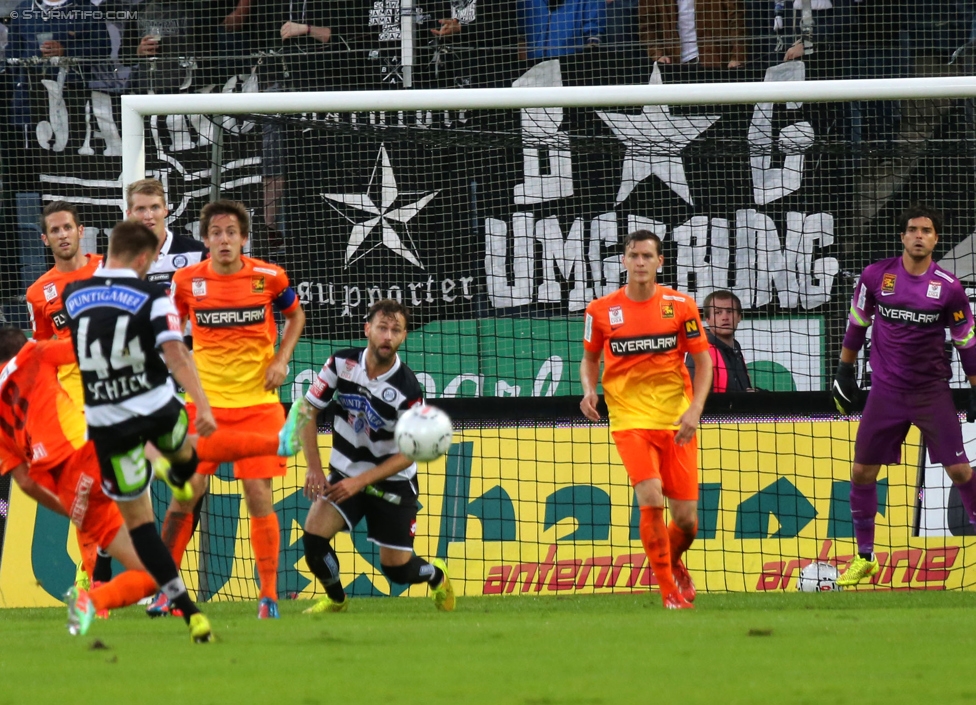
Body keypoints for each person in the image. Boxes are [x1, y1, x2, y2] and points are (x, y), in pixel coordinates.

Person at [61, 220, 216, 643]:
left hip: (106, 425)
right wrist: (202, 404)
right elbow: (176, 353)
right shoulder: (153, 295)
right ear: (146, 259)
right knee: (190, 459)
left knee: (141, 527)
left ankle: (192, 616)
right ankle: (177, 474)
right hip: (155, 409)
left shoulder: (73, 295)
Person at [154, 200, 306, 620]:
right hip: (206, 407)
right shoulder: (185, 282)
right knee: (187, 493)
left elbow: (295, 317)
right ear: (205, 240)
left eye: (232, 232)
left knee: (258, 495)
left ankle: (269, 596)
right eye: (216, 233)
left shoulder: (269, 278)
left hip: (258, 404)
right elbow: (169, 334)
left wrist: (281, 360)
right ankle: (167, 591)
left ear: (243, 238)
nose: (224, 239)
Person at [832, 205, 976, 586]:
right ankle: (865, 557)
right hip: (886, 392)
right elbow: (857, 324)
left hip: (931, 393)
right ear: (902, 236)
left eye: (926, 230)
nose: (918, 236)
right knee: (862, 471)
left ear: (935, 239)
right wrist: (844, 371)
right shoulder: (876, 276)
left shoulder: (950, 288)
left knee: (960, 470)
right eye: (912, 229)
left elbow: (967, 343)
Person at [293, 299, 455, 614]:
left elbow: (409, 455)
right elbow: (307, 411)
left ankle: (436, 574)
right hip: (344, 474)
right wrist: (314, 468)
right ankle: (336, 599)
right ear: (368, 328)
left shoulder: (408, 389)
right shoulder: (341, 364)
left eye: (396, 330)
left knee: (397, 571)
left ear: (404, 336)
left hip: (391, 483)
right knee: (313, 540)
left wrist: (360, 482)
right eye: (382, 327)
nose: (388, 336)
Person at [580, 230, 712, 609]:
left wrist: (695, 409)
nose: (640, 262)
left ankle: (673, 562)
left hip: (676, 421)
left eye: (647, 256)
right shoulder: (600, 310)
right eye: (633, 255)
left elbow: (702, 363)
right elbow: (590, 360)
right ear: (623, 261)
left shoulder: (681, 306)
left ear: (659, 262)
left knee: (686, 522)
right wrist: (589, 390)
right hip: (628, 420)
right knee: (650, 497)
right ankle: (668, 590)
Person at [0, 329, 161, 631]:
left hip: (69, 488)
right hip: (88, 453)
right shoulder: (35, 354)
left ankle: (91, 602)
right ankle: (168, 460)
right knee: (148, 423)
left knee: (151, 575)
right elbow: (86, 350)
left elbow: (25, 483)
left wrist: (71, 511)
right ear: (22, 346)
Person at [25, 201, 112, 588]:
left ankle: (148, 577)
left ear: (81, 231)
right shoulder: (38, 293)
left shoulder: (107, 270)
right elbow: (42, 351)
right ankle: (90, 574)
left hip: (118, 387)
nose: (62, 235)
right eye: (54, 231)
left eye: (67, 228)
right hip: (73, 398)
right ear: (45, 239)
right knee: (86, 486)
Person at [125, 179, 208, 291]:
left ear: (165, 210)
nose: (148, 216)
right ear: (129, 214)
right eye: (141, 209)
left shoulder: (197, 254)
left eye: (155, 207)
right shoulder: (119, 262)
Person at [687, 290, 753, 393]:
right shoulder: (701, 353)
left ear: (739, 317)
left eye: (730, 311)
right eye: (718, 312)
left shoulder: (736, 350)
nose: (725, 318)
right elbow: (693, 399)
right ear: (708, 319)